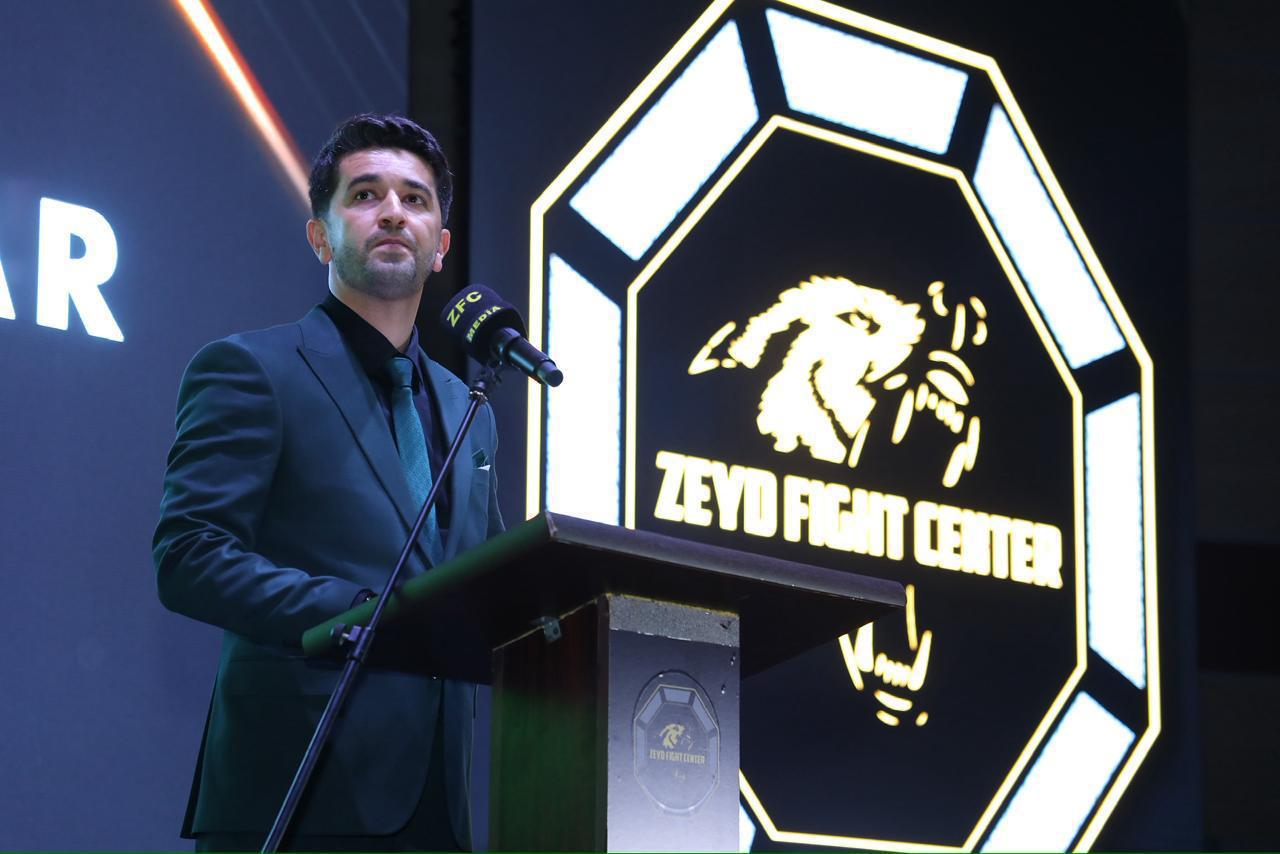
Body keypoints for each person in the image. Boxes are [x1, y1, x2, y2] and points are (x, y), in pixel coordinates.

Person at [153, 114, 502, 852]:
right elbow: (189, 555)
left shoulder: (470, 408)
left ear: (440, 246)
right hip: (295, 787)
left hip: (439, 804)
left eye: (414, 199)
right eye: (365, 195)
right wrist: (359, 614)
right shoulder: (252, 369)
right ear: (320, 236)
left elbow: (490, 585)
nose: (393, 212)